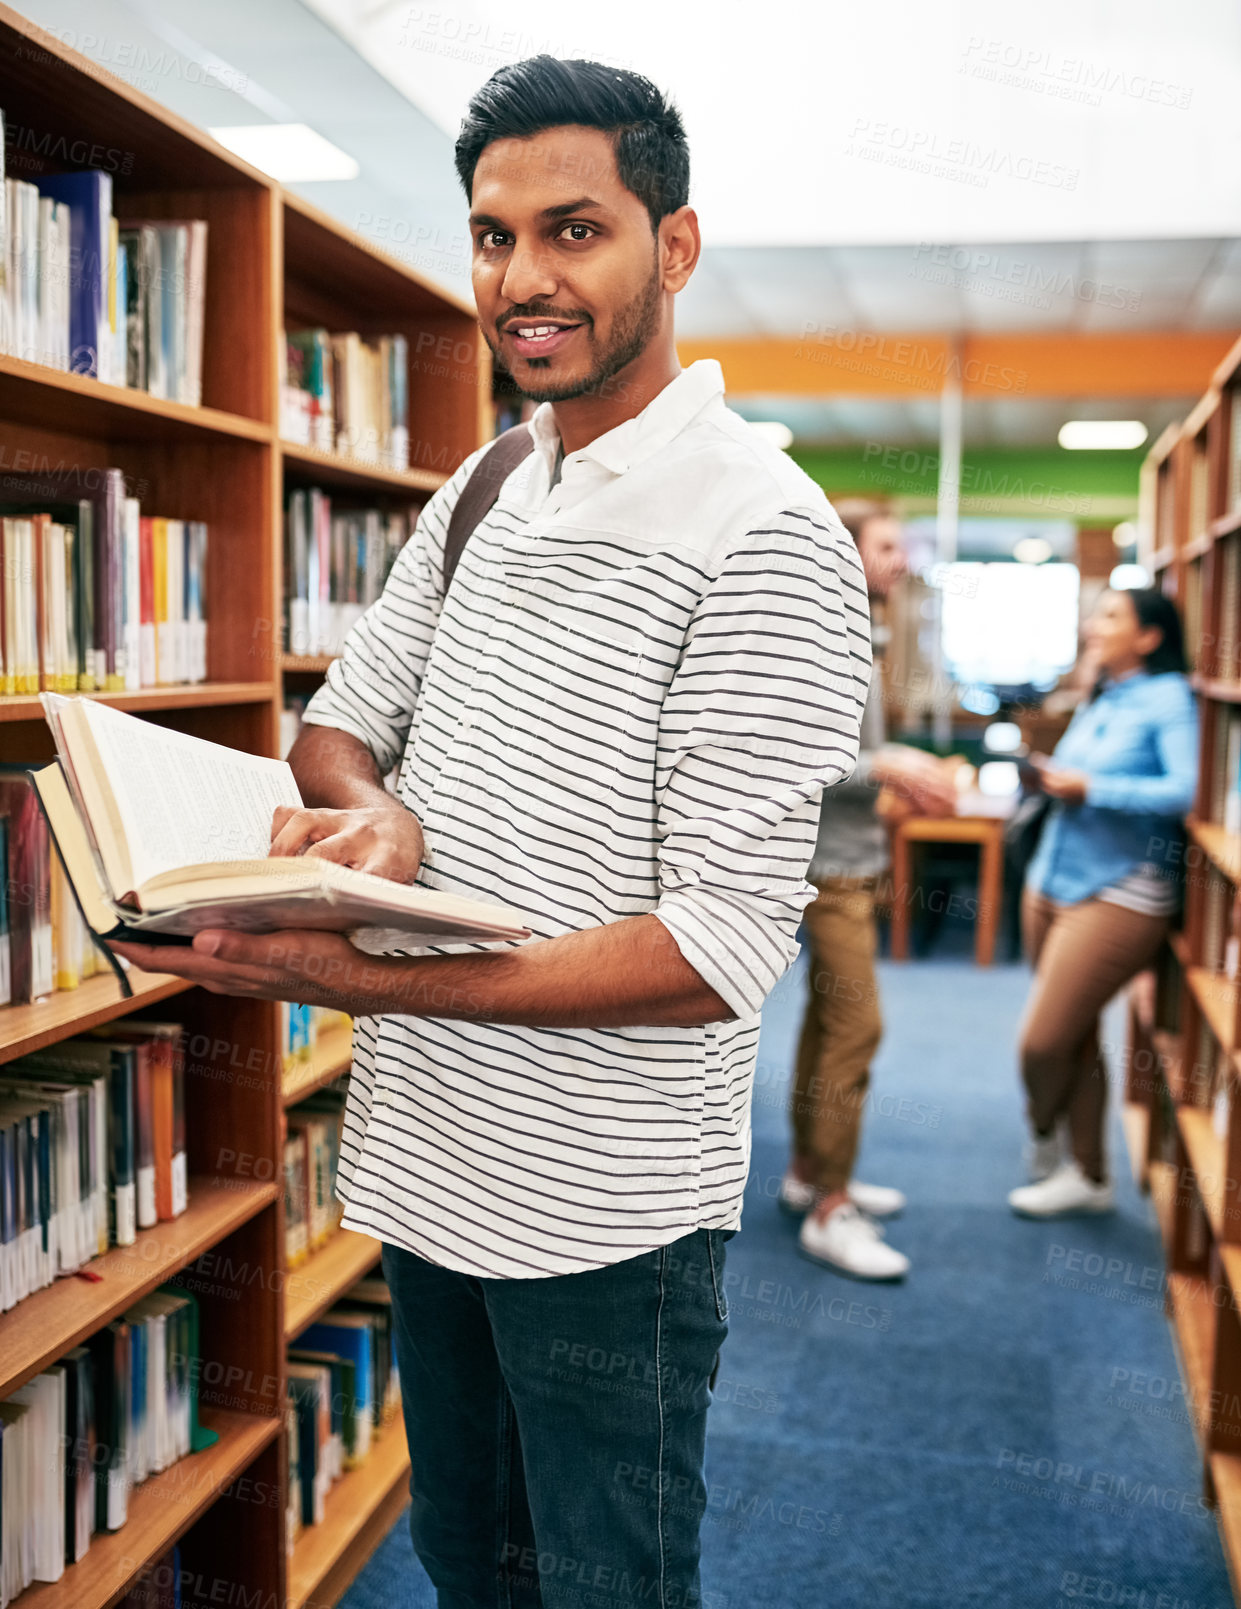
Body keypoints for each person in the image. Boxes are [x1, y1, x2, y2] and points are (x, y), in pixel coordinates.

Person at [112, 57, 868, 1607]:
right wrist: (376, 820)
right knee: (472, 1567)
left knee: (608, 1583)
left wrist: (352, 977)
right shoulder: (484, 487)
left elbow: (710, 954)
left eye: (574, 230)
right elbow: (340, 726)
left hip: (607, 1214)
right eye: (491, 235)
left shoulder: (765, 535)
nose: (521, 279)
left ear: (674, 246)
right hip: (424, 1164)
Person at [781, 502, 958, 1280]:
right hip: (825, 868)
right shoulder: (820, 637)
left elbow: (852, 756)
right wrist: (887, 768)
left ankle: (805, 1173)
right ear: (843, 549)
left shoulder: (861, 632)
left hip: (849, 856)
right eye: (885, 545)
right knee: (858, 1028)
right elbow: (790, 761)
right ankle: (831, 1204)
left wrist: (894, 769)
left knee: (827, 1022)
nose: (900, 560)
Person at [1009, 586, 1198, 1218]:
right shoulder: (1105, 692)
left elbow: (1183, 791)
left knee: (1040, 1044)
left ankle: (1045, 1133)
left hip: (1118, 891)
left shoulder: (1168, 699)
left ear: (1149, 636)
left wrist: (1093, 786)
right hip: (1052, 879)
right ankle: (1088, 1175)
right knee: (1075, 1034)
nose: (1095, 624)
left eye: (1111, 616)